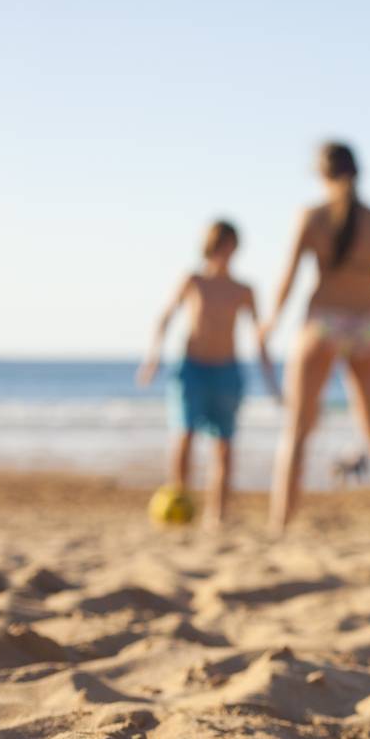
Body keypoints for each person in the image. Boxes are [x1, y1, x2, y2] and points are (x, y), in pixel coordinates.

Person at [262, 141, 370, 533]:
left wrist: (270, 321)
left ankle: (281, 521)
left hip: (321, 325)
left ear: (321, 174)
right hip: (366, 328)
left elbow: (287, 277)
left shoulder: (312, 216)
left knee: (298, 430)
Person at [138, 220, 279, 528]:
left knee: (224, 446)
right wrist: (153, 358)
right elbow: (166, 316)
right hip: (192, 369)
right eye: (219, 245)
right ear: (211, 247)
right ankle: (178, 502)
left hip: (227, 372)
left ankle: (217, 515)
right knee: (185, 436)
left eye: (229, 245)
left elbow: (259, 338)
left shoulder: (245, 290)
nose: (225, 252)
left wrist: (272, 384)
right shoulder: (194, 280)